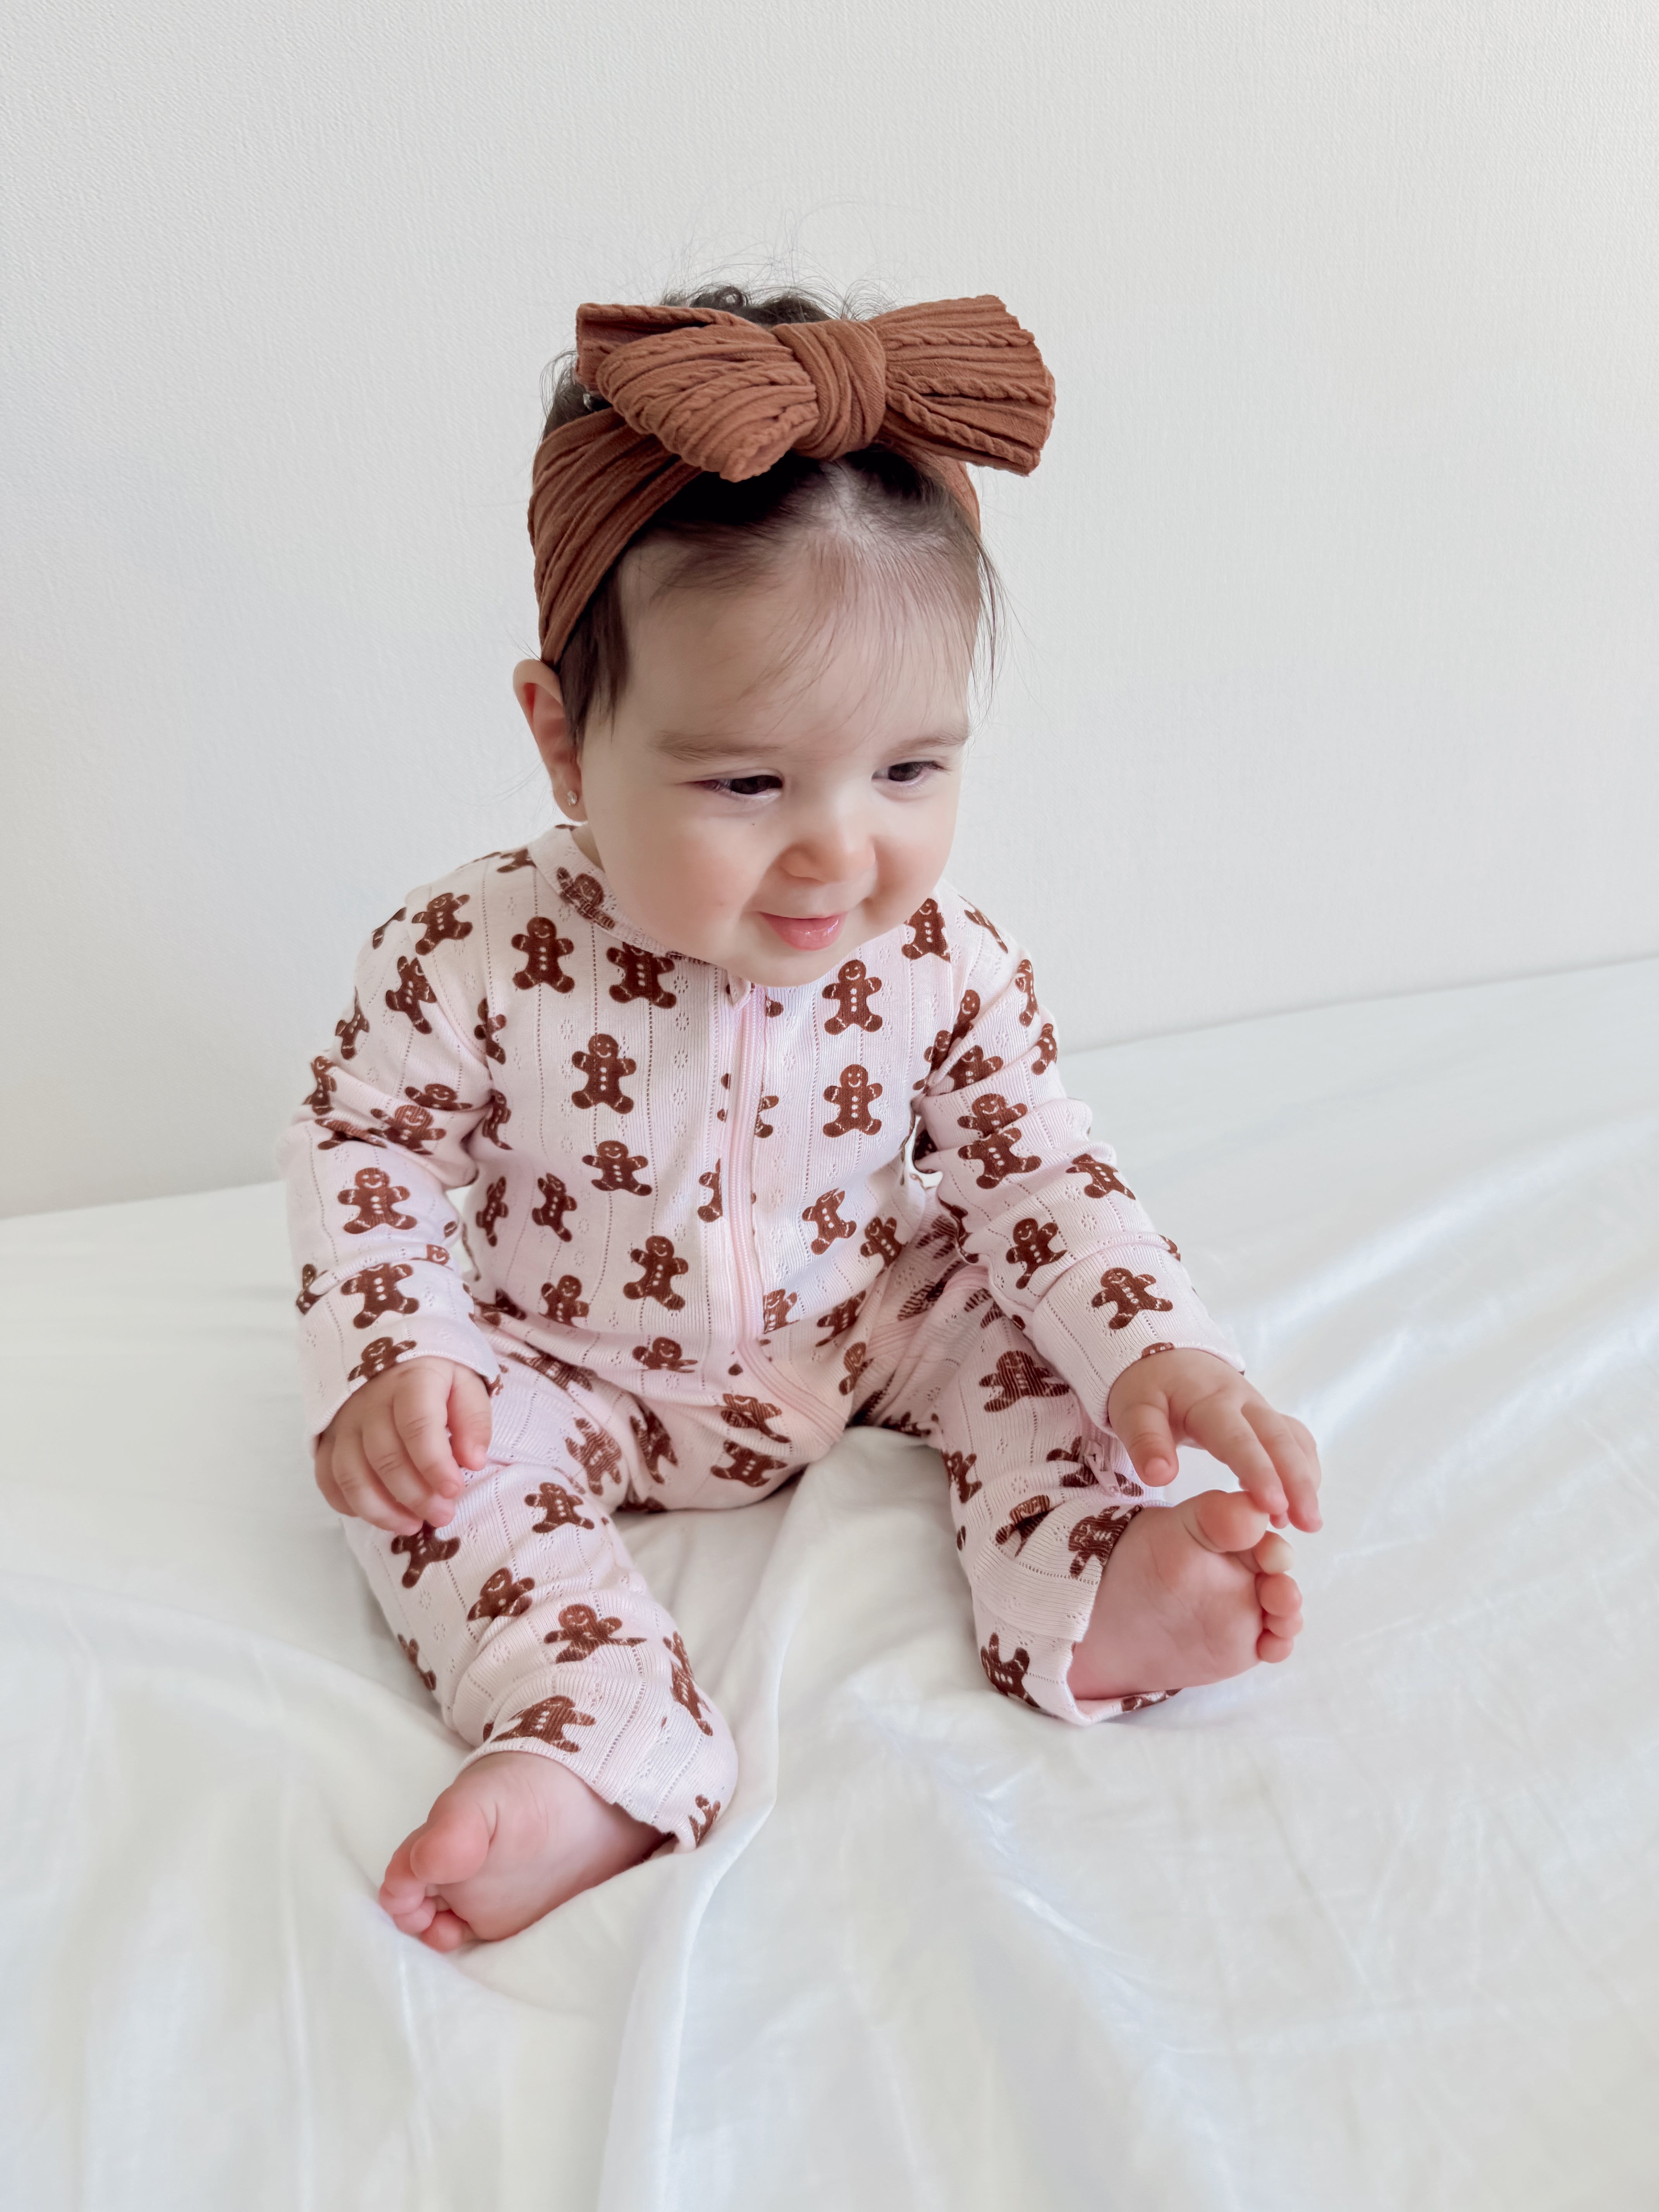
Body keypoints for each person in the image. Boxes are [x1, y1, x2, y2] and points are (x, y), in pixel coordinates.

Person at [278, 283, 1320, 1952]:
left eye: (909, 770)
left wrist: (1155, 1350)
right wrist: (403, 1354)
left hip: (859, 1320)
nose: (841, 851)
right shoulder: (470, 957)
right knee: (422, 1488)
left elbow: (1035, 1162)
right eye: (749, 784)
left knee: (1030, 1339)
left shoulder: (945, 959)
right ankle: (590, 1743)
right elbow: (370, 1148)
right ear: (563, 737)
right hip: (565, 1357)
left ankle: (1094, 1582)